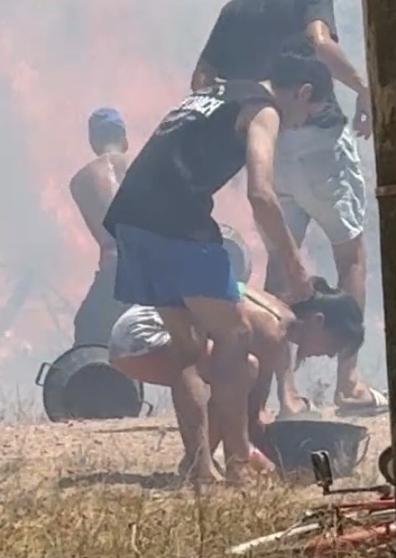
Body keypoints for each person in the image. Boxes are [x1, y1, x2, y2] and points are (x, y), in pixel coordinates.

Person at [98, 53, 332, 484]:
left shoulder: (217, 90)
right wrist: (293, 263)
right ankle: (241, 459)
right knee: (237, 335)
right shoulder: (264, 110)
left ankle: (200, 467)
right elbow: (260, 195)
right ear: (302, 93)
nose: (298, 124)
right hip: (177, 223)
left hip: (131, 221)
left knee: (187, 348)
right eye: (307, 114)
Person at [193, 0, 382, 416]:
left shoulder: (237, 7)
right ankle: (349, 381)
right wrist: (365, 89)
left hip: (269, 144)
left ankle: (281, 393)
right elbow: (321, 44)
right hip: (319, 140)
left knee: (280, 265)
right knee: (351, 258)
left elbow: (201, 80)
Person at [107, 279, 367, 480]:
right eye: (335, 344)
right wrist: (270, 462)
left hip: (134, 334)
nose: (330, 355)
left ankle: (198, 461)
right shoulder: (272, 332)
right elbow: (247, 415)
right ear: (318, 321)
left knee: (237, 376)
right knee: (242, 372)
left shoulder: (278, 318)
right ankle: (201, 463)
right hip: (142, 337)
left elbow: (247, 414)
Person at [67, 106, 128, 348]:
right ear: (124, 138)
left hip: (116, 270)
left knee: (88, 328)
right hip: (157, 264)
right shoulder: (144, 166)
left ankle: (100, 382)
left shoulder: (81, 181)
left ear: (93, 141)